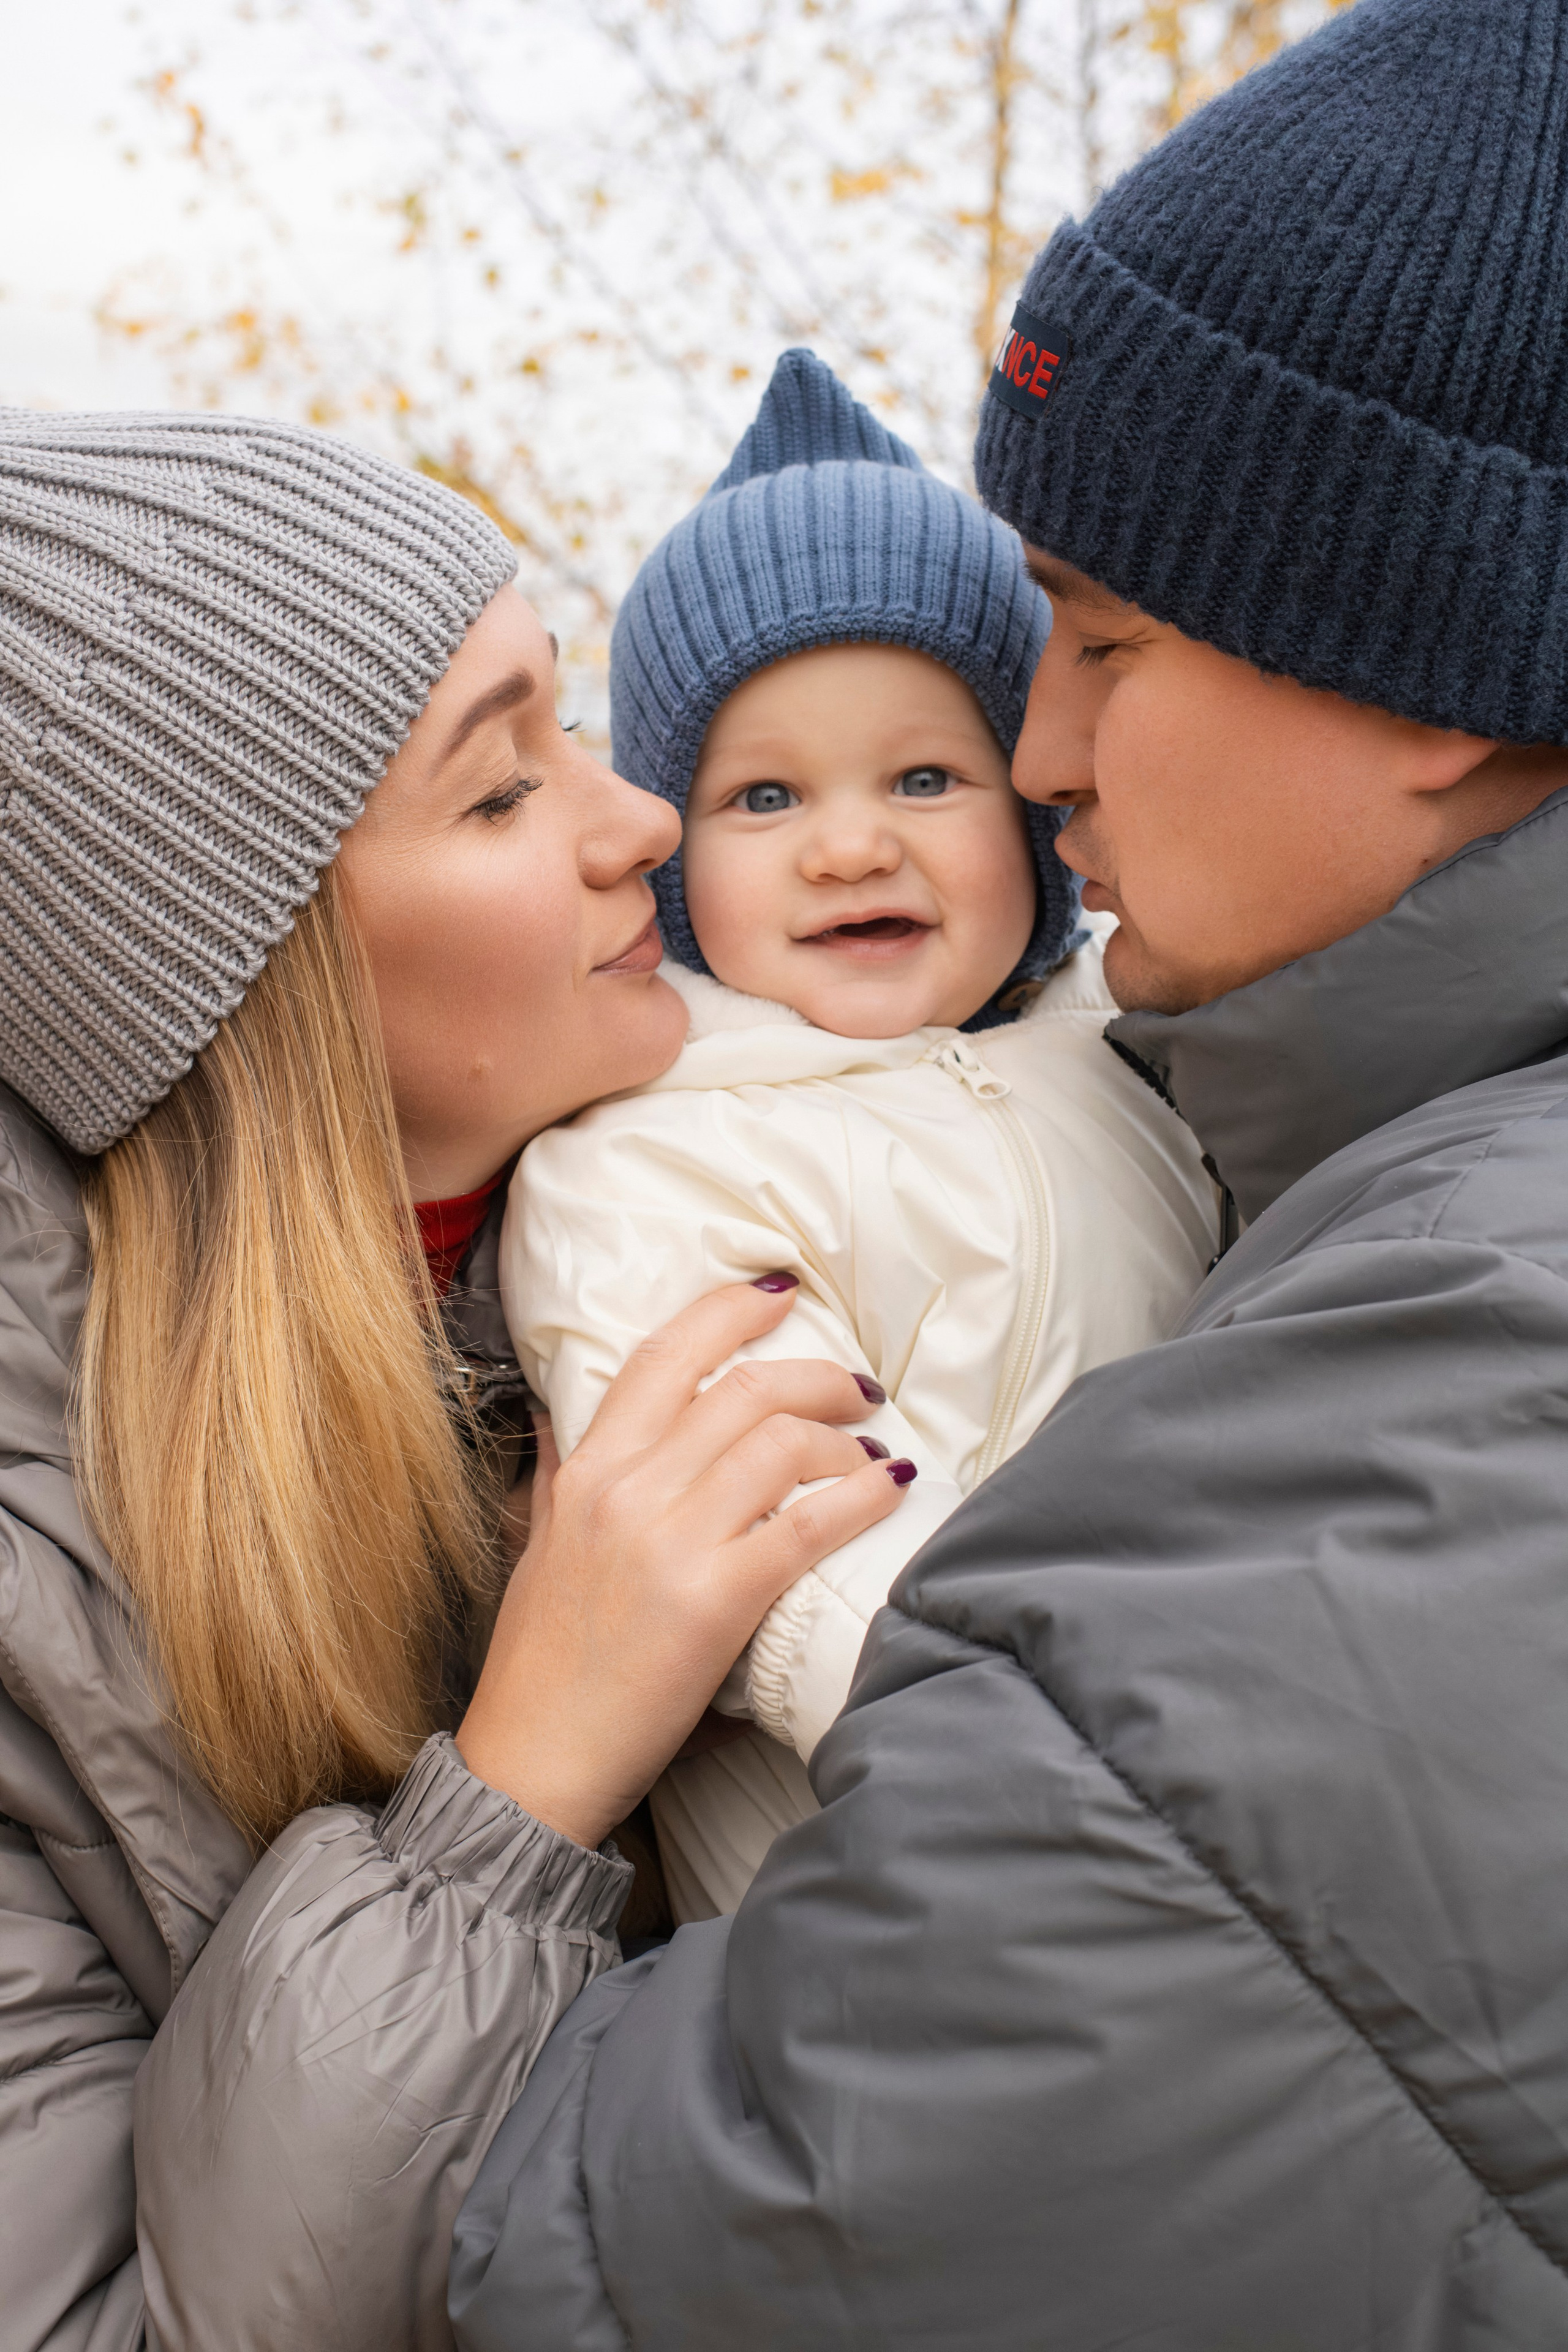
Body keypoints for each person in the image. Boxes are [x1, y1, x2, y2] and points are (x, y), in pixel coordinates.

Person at [451, 1, 1568, 2341]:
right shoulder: (705, 1157)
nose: (1043, 756)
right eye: (762, 794)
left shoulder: (1457, 1302)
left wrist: (396, 2047)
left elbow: (646, 2242)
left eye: (1105, 645)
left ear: (1423, 655)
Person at [0, 415, 913, 2349]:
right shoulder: (40, 1594)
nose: (641, 821)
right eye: (502, 793)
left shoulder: (772, 1168)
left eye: (573, 729)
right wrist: (521, 1792)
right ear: (258, 989)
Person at [502, 349, 1214, 1921]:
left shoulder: (1141, 1048)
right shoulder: (646, 1158)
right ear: (675, 857)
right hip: (895, 1863)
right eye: (762, 798)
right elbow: (777, 1538)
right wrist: (1046, 1761)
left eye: (923, 775)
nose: (847, 844)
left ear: (1036, 815)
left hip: (1206, 1762)